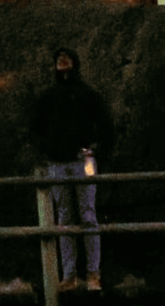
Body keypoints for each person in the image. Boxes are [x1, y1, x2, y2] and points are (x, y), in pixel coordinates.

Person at [30, 47, 114, 291]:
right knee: (64, 219)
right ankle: (69, 275)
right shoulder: (48, 98)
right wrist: (47, 149)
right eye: (59, 60)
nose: (62, 63)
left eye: (66, 59)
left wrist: (94, 149)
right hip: (57, 164)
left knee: (88, 216)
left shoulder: (88, 95)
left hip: (82, 162)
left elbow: (106, 126)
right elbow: (33, 129)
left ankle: (93, 274)